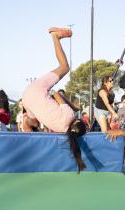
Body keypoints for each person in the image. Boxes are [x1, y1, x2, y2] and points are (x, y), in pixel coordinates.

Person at [22, 27, 87, 172]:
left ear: (77, 121)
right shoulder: (60, 130)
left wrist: (74, 107)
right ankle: (26, 122)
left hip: (36, 90)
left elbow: (57, 94)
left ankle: (55, 37)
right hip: (26, 99)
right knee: (32, 118)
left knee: (64, 67)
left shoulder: (70, 116)